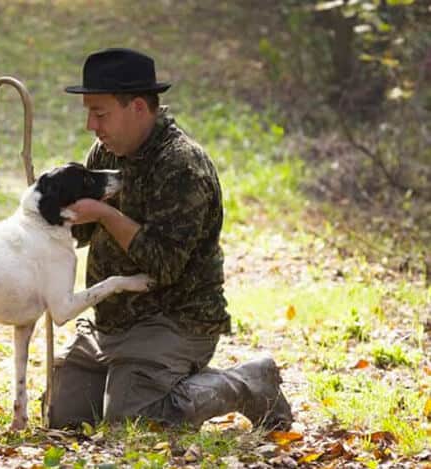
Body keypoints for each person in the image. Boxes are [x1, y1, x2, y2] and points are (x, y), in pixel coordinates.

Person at [42, 48, 293, 431]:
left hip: (174, 320)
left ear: (138, 107)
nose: (91, 125)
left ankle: (248, 382)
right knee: (64, 420)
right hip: (111, 324)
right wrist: (48, 207)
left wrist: (107, 213)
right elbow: (80, 233)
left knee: (136, 424)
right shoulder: (107, 151)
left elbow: (163, 264)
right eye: (88, 113)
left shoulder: (182, 165)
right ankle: (127, 377)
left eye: (100, 113)